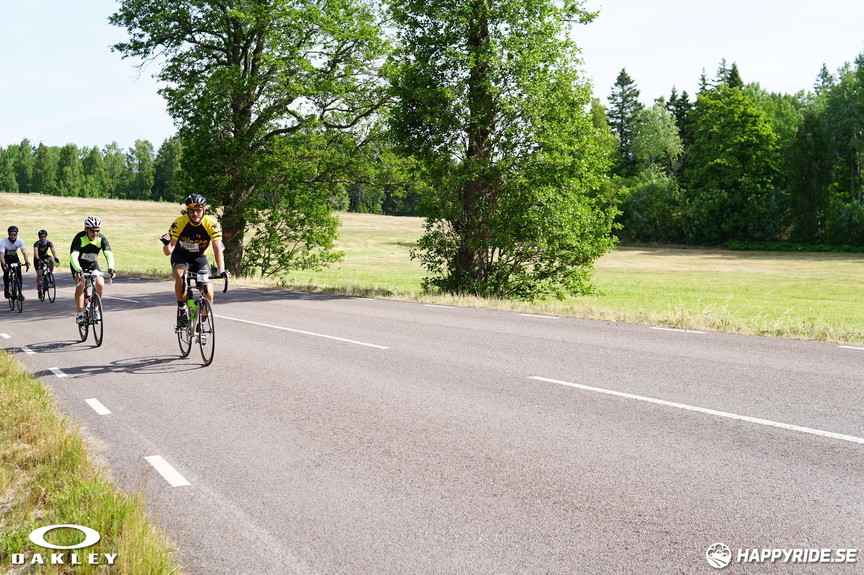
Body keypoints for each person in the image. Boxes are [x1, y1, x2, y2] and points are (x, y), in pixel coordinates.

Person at [160, 194, 227, 328]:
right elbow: (169, 251)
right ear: (187, 211)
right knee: (181, 276)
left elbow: (217, 248)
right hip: (181, 256)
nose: (195, 214)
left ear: (204, 211)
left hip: (199, 257)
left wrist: (222, 270)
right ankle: (182, 309)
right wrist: (166, 244)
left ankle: (201, 319)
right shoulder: (179, 222)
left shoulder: (211, 224)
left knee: (209, 291)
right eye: (191, 211)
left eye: (198, 210)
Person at [70, 216, 116, 325]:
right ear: (86, 229)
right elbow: (73, 256)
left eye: (97, 230)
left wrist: (111, 268)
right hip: (78, 265)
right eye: (92, 230)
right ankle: (80, 313)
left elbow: (109, 254)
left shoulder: (101, 239)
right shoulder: (79, 238)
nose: (95, 233)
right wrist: (77, 269)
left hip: (92, 264)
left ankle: (95, 309)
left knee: (100, 284)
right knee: (81, 284)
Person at [1, 226, 30, 300]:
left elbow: (24, 252)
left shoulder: (20, 241)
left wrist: (26, 261)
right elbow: (1, 255)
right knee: (6, 272)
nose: (13, 236)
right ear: (8, 234)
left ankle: (20, 293)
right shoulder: (4, 241)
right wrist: (4, 264)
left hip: (14, 257)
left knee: (19, 273)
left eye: (15, 234)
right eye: (11, 234)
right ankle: (6, 290)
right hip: (5, 258)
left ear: (17, 234)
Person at [33, 229, 59, 299]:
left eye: (44, 236)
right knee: (39, 274)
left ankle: (50, 273)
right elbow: (36, 253)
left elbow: (53, 250)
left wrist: (56, 258)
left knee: (51, 260)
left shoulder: (49, 243)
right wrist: (38, 259)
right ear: (39, 237)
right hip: (37, 258)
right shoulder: (37, 243)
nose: (43, 238)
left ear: (46, 236)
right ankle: (39, 289)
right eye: (41, 236)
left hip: (45, 256)